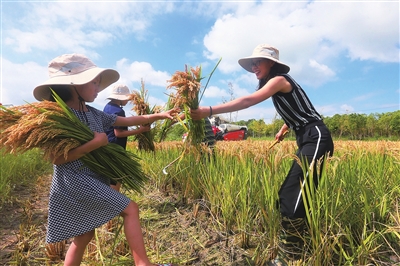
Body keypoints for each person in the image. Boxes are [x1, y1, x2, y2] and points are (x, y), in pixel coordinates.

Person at [190, 44, 334, 265]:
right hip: (305, 138)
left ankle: (291, 257)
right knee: (292, 194)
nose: (254, 67)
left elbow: (248, 101)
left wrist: (207, 111)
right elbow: (298, 108)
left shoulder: (279, 80)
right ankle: (301, 247)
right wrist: (284, 128)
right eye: (252, 64)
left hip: (315, 138)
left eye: (258, 62)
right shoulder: (279, 87)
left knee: (293, 195)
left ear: (272, 64)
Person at [33, 53, 175, 266]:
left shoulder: (94, 114)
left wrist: (161, 115)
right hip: (75, 181)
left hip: (91, 178)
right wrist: (95, 143)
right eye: (94, 82)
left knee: (84, 236)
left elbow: (128, 119)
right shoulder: (60, 118)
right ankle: (143, 264)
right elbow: (57, 159)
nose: (98, 88)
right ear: (74, 85)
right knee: (131, 209)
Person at [103, 84, 151, 191]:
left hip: (107, 147)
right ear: (120, 99)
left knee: (110, 178)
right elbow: (118, 133)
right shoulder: (118, 111)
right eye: (127, 99)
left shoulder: (108, 107)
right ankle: (114, 204)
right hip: (115, 149)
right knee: (116, 178)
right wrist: (140, 130)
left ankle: (111, 203)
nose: (128, 101)